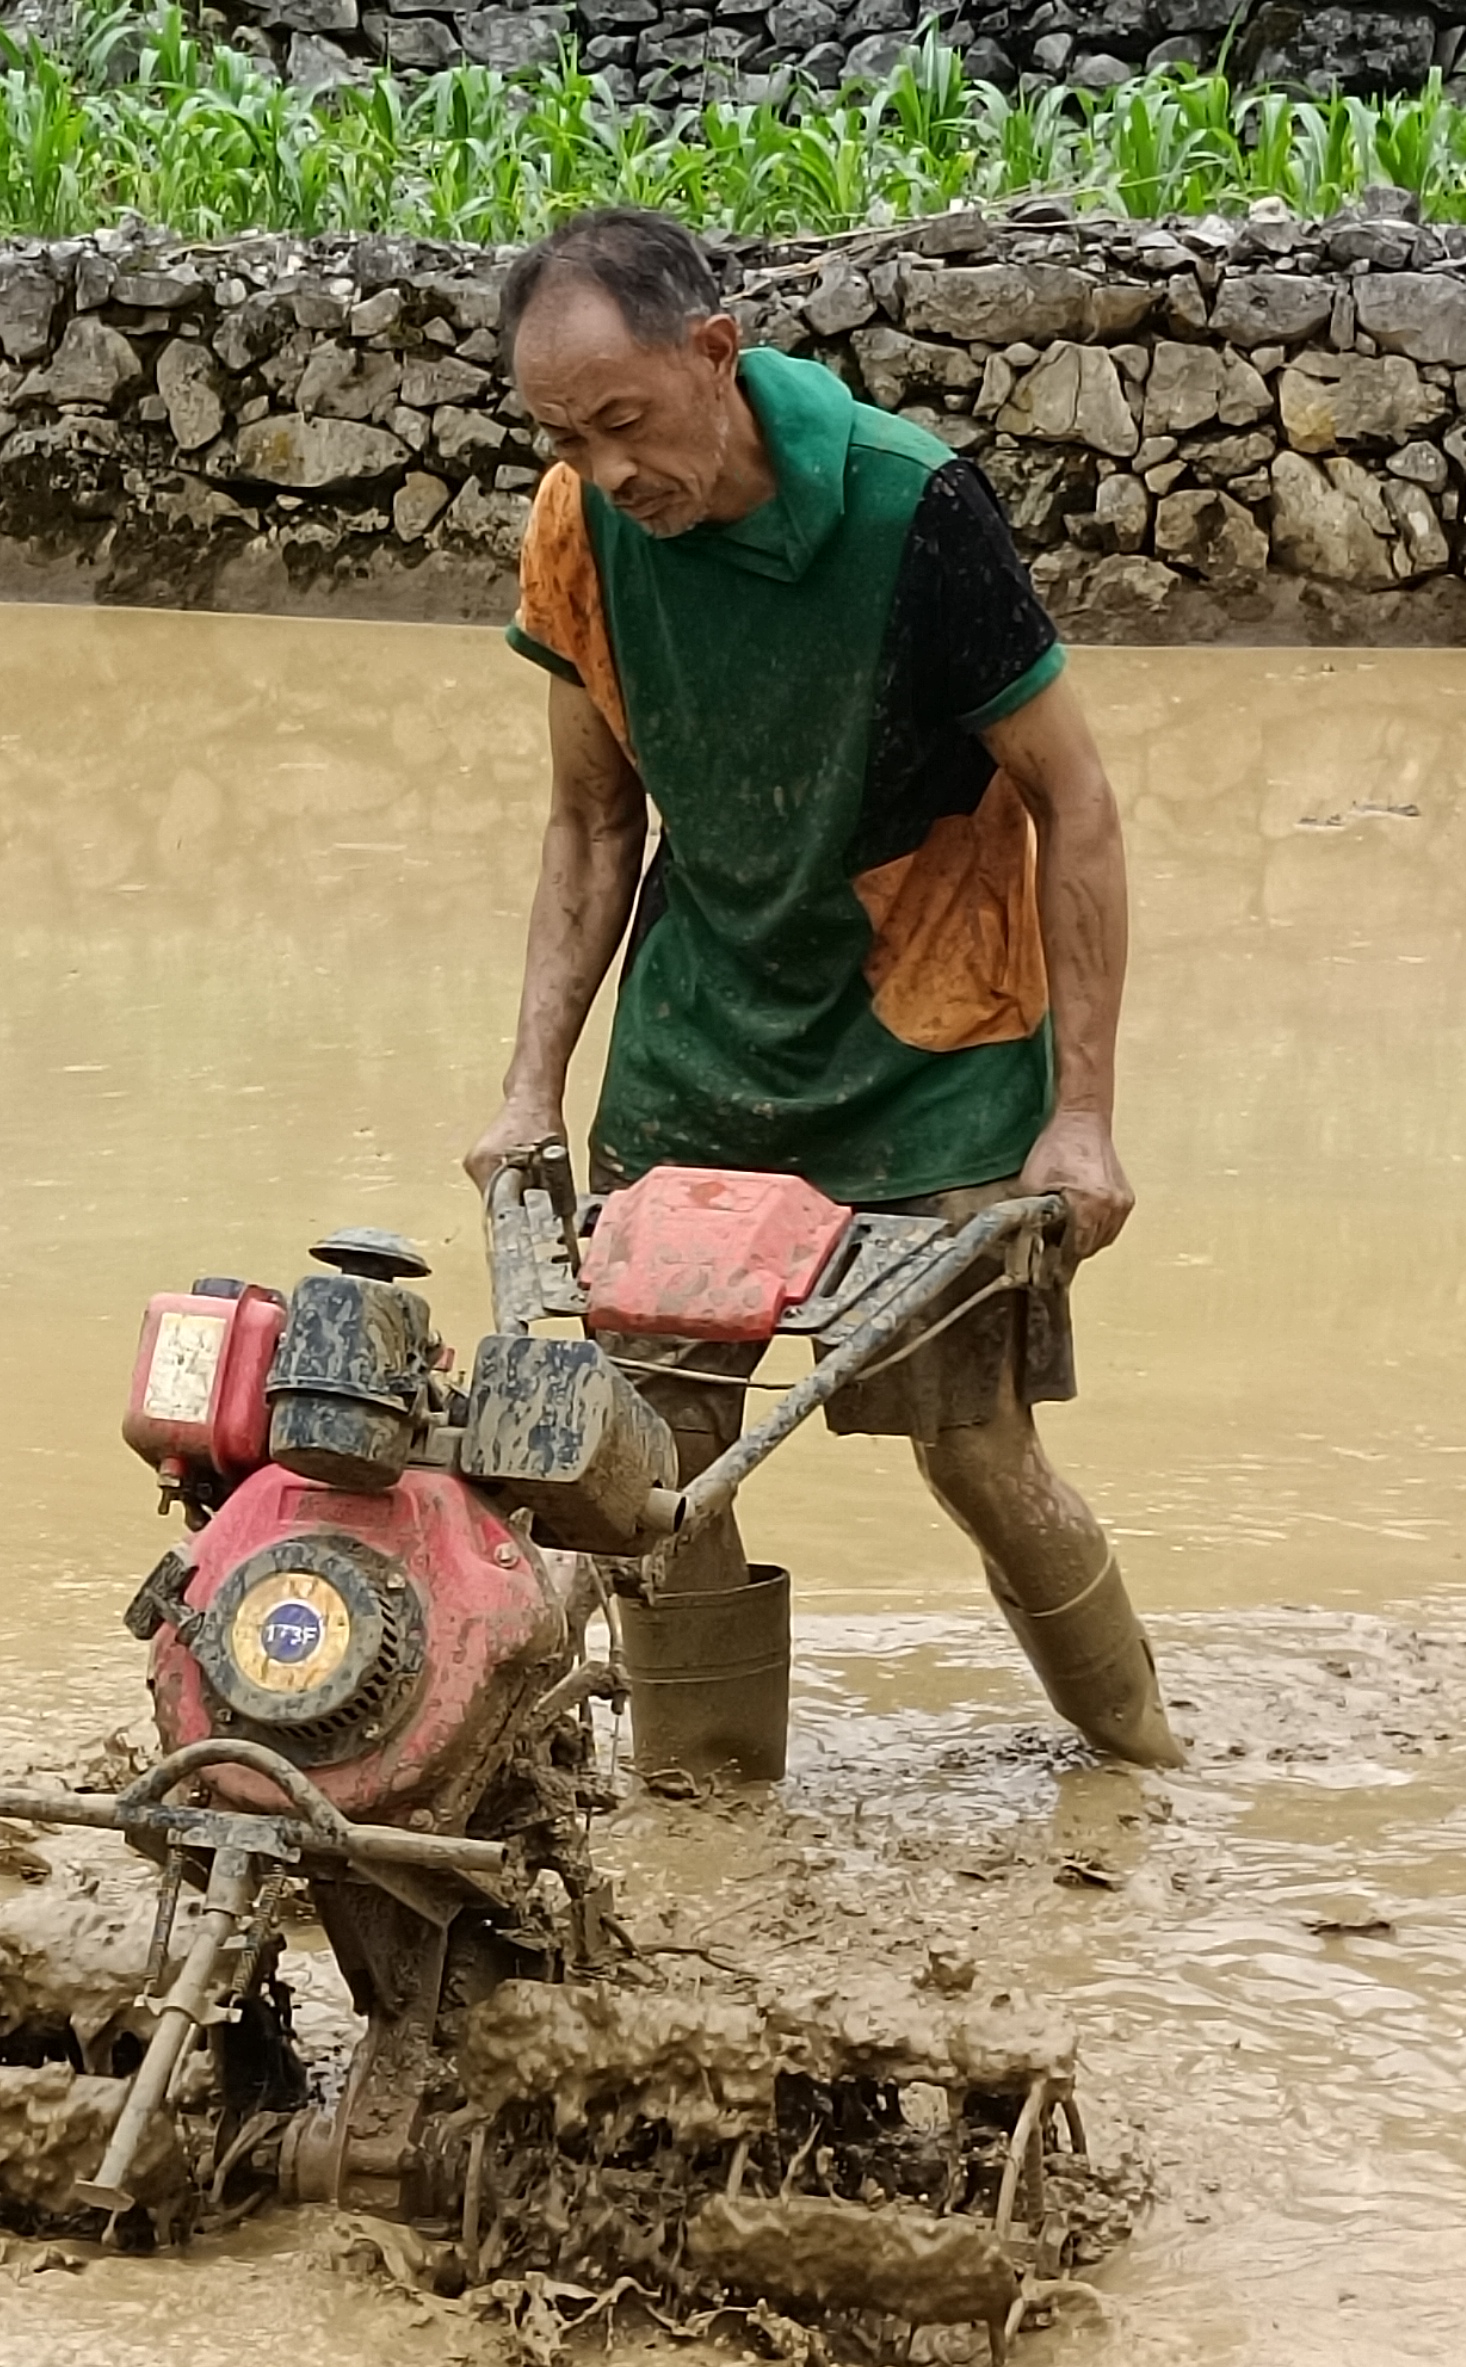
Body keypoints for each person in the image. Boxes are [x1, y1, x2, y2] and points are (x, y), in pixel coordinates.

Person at [461, 204, 1182, 1770]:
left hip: (933, 1040)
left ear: (716, 354)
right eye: (562, 436)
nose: (604, 470)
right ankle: (710, 1821)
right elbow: (593, 821)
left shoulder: (912, 511)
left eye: (627, 423)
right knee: (641, 1464)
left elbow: (1078, 801)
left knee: (976, 1450)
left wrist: (1086, 1120)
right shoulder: (578, 533)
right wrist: (528, 1088)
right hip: (702, 1040)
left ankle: (1141, 1768)